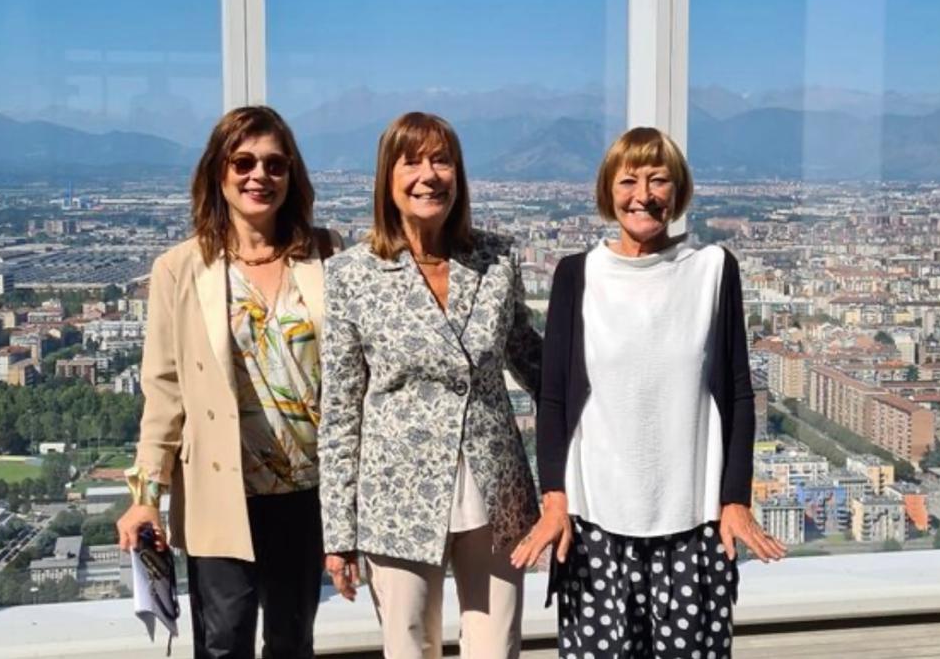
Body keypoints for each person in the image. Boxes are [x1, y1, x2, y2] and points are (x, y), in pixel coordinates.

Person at [512, 127, 786, 658]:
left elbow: (737, 393)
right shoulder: (577, 275)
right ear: (608, 191)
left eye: (659, 180)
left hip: (692, 522)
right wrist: (555, 501)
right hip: (595, 526)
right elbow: (554, 399)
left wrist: (734, 501)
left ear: (678, 191)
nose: (644, 195)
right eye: (629, 180)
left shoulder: (712, 270)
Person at [115, 106, 342, 659]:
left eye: (274, 164)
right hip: (221, 489)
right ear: (219, 172)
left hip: (307, 491)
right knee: (224, 643)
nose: (258, 175)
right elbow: (164, 392)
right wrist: (146, 496)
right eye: (242, 162)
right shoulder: (180, 269)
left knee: (293, 641)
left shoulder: (326, 253)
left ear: (293, 175)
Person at [318, 111, 542, 659]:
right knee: (410, 649)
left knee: (496, 649)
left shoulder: (496, 259)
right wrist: (337, 535)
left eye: (441, 160)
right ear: (386, 178)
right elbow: (341, 413)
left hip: (495, 488)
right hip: (397, 494)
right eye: (412, 161)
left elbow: (530, 360)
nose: (429, 174)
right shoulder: (352, 274)